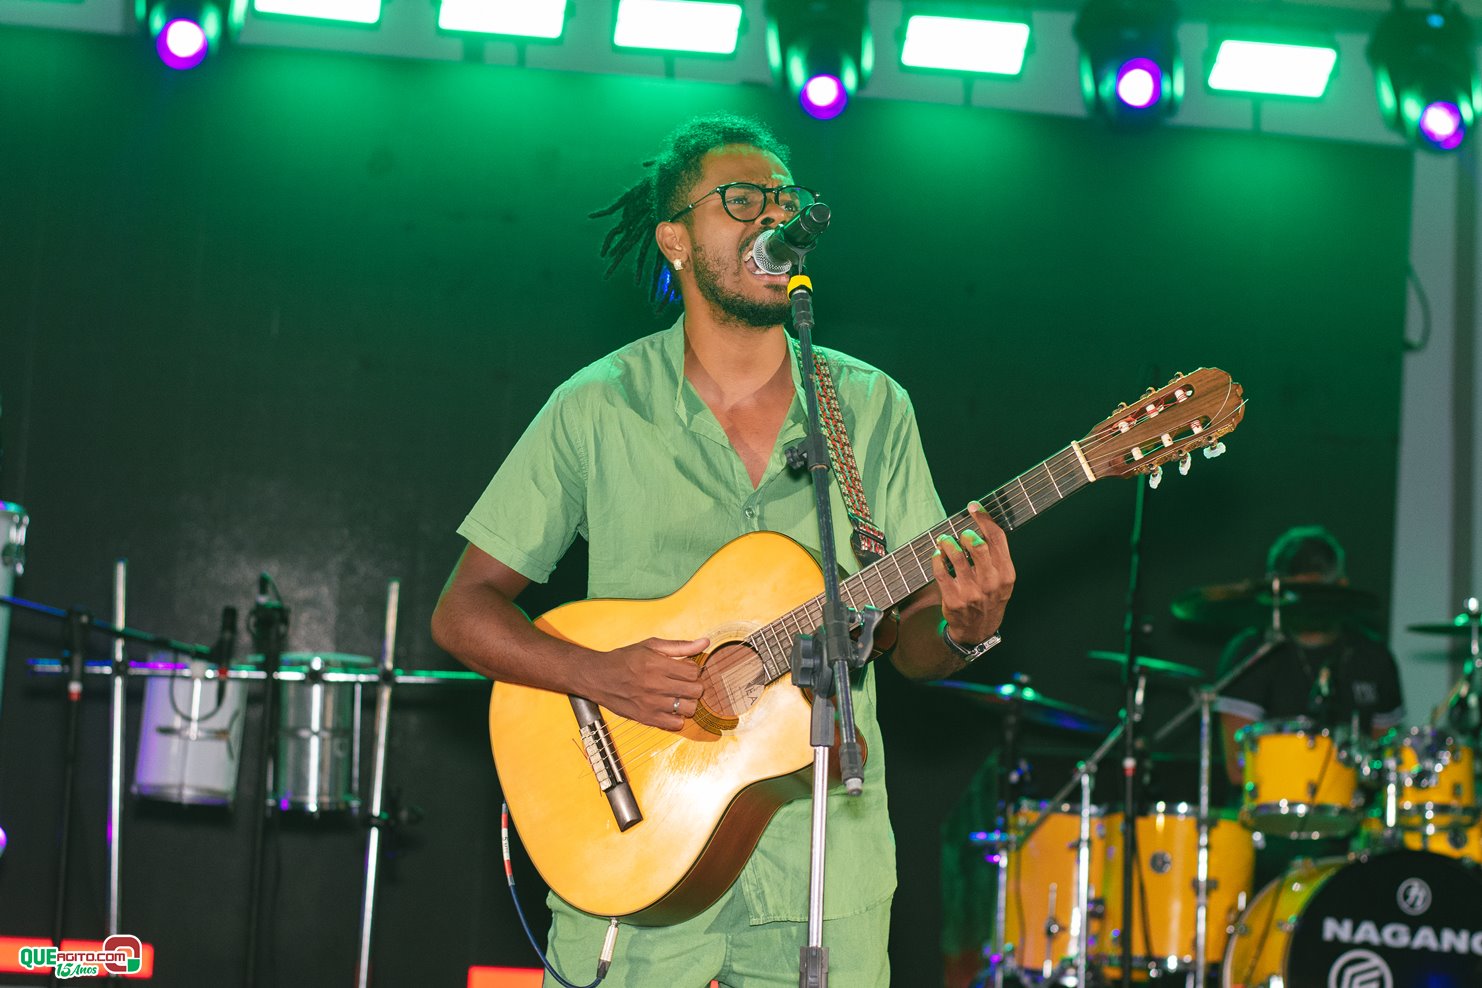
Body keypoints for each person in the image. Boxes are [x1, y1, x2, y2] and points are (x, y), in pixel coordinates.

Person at [429, 113, 1015, 988]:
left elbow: (908, 639)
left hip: (827, 862)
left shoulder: (871, 407)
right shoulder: (596, 406)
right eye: (742, 199)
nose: (770, 216)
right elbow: (463, 610)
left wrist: (967, 628)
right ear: (675, 238)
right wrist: (599, 674)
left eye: (784, 199)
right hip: (634, 835)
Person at [1213, 525, 1404, 881]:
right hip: (1264, 832)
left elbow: (1386, 757)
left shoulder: (1373, 658)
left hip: (1348, 832)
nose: (1309, 601)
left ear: (1340, 588)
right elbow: (1238, 768)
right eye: (1298, 592)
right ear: (1280, 591)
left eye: (1317, 591)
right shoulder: (1252, 653)